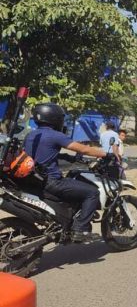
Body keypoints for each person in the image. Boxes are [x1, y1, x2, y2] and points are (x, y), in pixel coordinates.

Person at [24, 103, 106, 242]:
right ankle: (80, 229)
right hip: (52, 182)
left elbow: (42, 155)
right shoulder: (55, 135)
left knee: (72, 180)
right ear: (54, 118)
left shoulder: (31, 135)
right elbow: (83, 149)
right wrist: (105, 154)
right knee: (92, 193)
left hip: (36, 179)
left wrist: (68, 158)